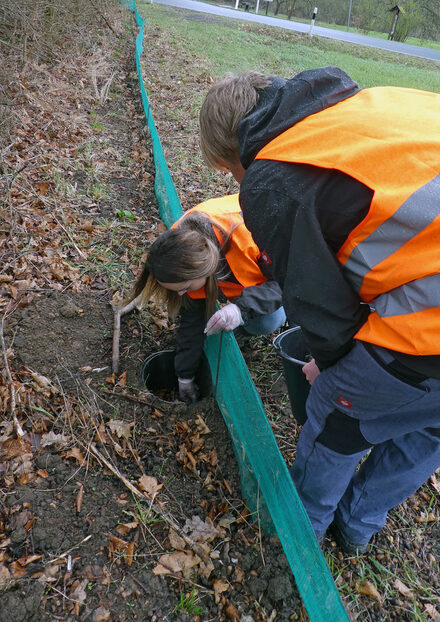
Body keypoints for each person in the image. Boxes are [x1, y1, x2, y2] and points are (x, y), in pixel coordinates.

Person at [199, 66, 440, 554]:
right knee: (431, 426)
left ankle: (295, 543)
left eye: (230, 171)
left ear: (234, 154)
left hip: (428, 334)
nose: (236, 181)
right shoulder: (369, 104)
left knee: (334, 417)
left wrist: (329, 366)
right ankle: (357, 525)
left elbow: (319, 306)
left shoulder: (273, 178)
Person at [130, 193, 286, 402]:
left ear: (203, 270)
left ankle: (243, 331)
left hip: (285, 258)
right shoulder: (176, 252)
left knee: (270, 319)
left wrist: (241, 310)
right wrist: (184, 376)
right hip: (231, 271)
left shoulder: (252, 238)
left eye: (184, 287)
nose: (181, 293)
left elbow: (290, 281)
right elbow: (192, 319)